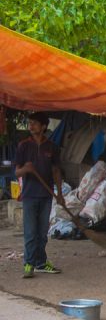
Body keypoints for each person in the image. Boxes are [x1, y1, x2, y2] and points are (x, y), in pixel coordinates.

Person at [14, 112, 64, 278]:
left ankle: (41, 263)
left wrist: (60, 194)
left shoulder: (51, 147)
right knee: (30, 232)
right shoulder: (23, 146)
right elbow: (17, 172)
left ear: (43, 126)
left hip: (46, 195)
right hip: (29, 195)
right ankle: (28, 264)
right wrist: (26, 169)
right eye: (30, 123)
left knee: (42, 233)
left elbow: (56, 171)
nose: (31, 126)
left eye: (34, 123)